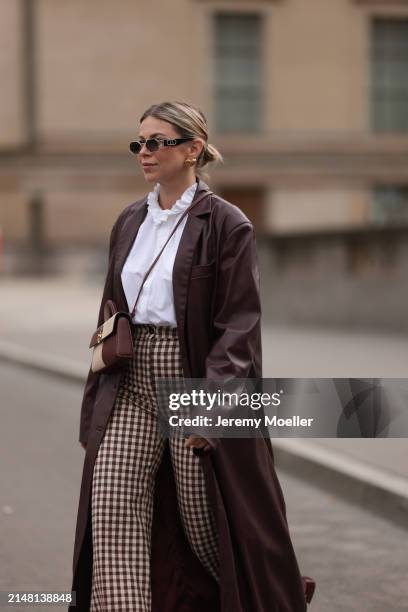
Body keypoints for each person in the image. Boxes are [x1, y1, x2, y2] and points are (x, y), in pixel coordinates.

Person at [69, 101, 313, 611]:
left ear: (192, 149)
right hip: (130, 382)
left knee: (208, 526)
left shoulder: (227, 224)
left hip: (194, 382)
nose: (144, 153)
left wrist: (214, 404)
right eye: (139, 143)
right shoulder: (130, 219)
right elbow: (109, 312)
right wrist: (95, 400)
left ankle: (267, 595)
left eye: (156, 142)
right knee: (111, 506)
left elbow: (239, 325)